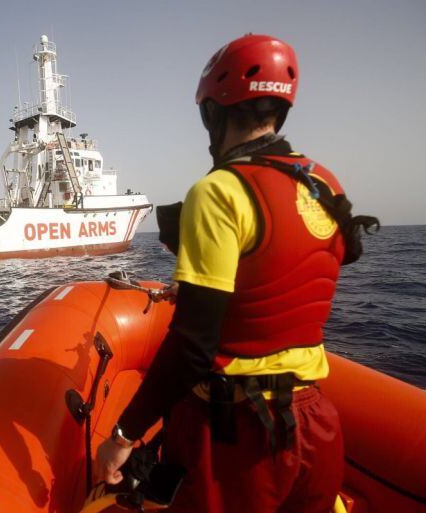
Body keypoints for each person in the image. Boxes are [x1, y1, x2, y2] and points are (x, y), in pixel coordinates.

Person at [96, 34, 378, 513]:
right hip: (315, 425)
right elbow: (335, 254)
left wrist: (123, 435)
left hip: (238, 438)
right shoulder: (324, 183)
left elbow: (191, 348)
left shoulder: (218, 192)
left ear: (212, 113)